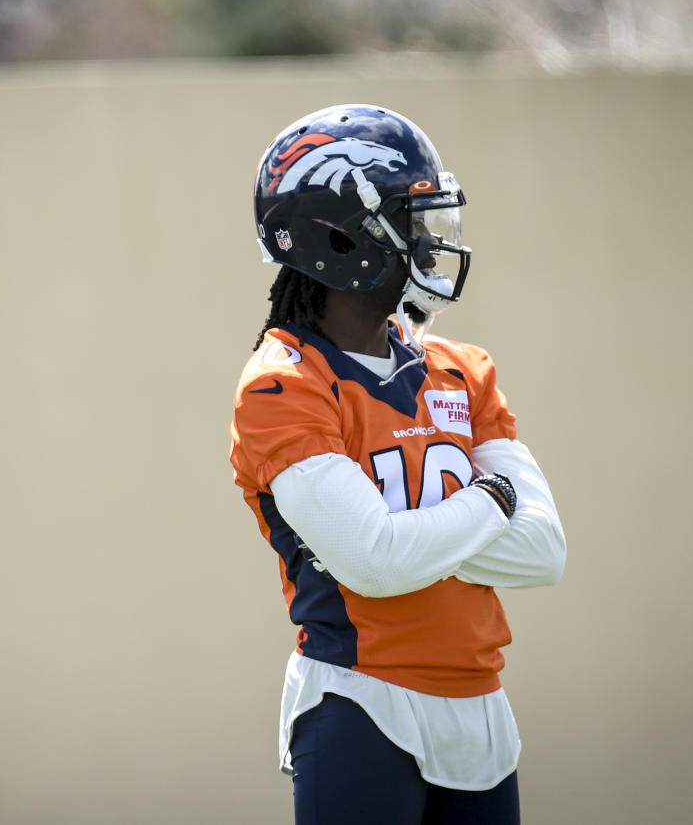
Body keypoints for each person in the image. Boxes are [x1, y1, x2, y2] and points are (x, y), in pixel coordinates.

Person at [229, 104, 566, 824]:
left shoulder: (459, 368)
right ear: (342, 236)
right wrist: (489, 501)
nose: (427, 241)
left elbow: (545, 552)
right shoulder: (282, 384)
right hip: (361, 703)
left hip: (481, 709)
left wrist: (419, 536)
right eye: (410, 222)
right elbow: (376, 563)